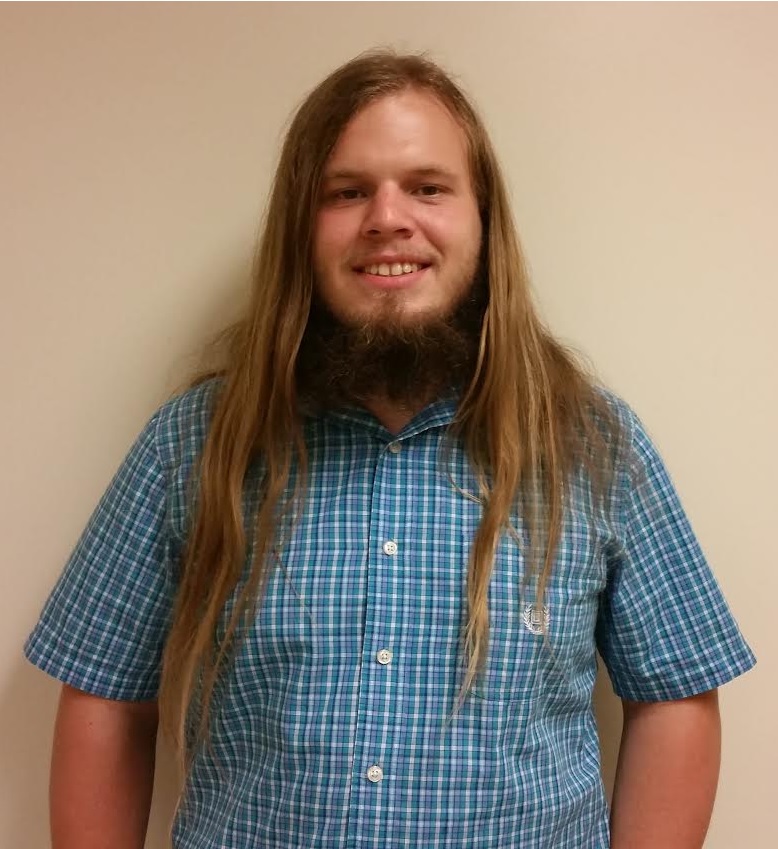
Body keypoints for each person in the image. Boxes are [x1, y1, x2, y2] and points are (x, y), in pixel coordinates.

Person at [25, 50, 755, 849]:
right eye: (346, 192)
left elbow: (675, 694)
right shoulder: (193, 443)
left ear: (483, 220)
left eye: (428, 187)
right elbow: (104, 694)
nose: (387, 218)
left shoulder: (592, 444)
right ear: (301, 228)